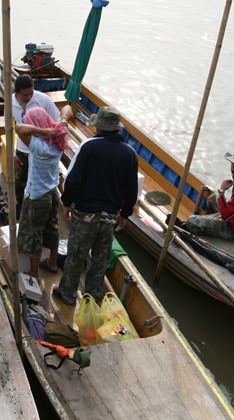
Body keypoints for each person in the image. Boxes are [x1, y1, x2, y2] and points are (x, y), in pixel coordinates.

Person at [53, 107, 138, 306]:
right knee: (100, 259)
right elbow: (131, 189)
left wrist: (66, 203)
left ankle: (67, 292)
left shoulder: (89, 146)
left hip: (85, 214)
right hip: (109, 216)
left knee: (76, 255)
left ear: (98, 127)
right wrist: (124, 213)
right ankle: (93, 297)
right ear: (117, 129)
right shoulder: (129, 154)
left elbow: (72, 181)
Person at [15, 107, 68, 277]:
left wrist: (44, 131)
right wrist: (61, 121)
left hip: (37, 196)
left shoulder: (39, 146)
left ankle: (33, 271)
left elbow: (19, 128)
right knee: (52, 227)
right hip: (52, 192)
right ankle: (52, 263)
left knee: (34, 233)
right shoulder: (60, 140)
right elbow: (66, 109)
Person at [185, 147, 234, 241]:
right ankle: (209, 226)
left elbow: (226, 215)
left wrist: (222, 191)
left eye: (233, 164)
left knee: (190, 221)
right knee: (212, 198)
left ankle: (209, 228)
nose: (231, 167)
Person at [11, 75, 62, 207]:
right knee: (20, 183)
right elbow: (9, 128)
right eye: (25, 95)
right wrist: (12, 154)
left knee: (42, 184)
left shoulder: (43, 100)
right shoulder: (10, 103)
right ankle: (21, 209)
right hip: (23, 149)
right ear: (16, 92)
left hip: (41, 150)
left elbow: (57, 120)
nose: (29, 97)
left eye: (31, 93)